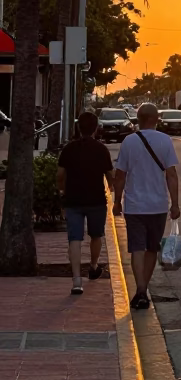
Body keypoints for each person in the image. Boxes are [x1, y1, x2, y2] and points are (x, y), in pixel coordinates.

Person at [113, 102, 181, 310]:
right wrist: (175, 204)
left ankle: (141, 290)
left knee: (137, 249)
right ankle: (143, 289)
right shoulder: (165, 141)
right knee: (152, 248)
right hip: (158, 205)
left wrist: (116, 201)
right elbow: (171, 174)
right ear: (156, 119)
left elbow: (120, 175)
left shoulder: (129, 142)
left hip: (134, 205)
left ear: (138, 119)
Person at [56, 110, 115, 296]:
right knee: (96, 235)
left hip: (73, 200)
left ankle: (76, 281)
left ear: (78, 128)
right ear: (96, 128)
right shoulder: (101, 149)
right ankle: (94, 265)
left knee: (74, 238)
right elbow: (110, 175)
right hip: (96, 199)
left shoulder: (68, 149)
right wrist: (112, 189)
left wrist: (62, 190)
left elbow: (59, 175)